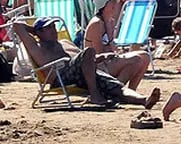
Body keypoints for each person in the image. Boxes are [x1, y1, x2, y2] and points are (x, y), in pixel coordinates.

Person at [13, 17, 160, 108]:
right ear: (38, 32)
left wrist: (99, 58)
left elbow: (83, 60)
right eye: (48, 28)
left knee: (117, 87)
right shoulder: (37, 47)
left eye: (53, 27)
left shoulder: (63, 43)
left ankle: (144, 100)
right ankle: (95, 95)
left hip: (80, 74)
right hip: (60, 76)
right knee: (89, 51)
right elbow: (17, 25)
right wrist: (35, 29)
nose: (53, 30)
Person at [83, 0, 150, 90]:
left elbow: (112, 47)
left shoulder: (109, 21)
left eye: (116, 1)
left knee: (145, 57)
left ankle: (131, 91)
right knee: (135, 60)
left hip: (108, 60)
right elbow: (97, 54)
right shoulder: (96, 24)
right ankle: (116, 90)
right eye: (112, 1)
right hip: (97, 66)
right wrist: (114, 51)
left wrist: (113, 48)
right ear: (103, 4)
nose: (115, 4)